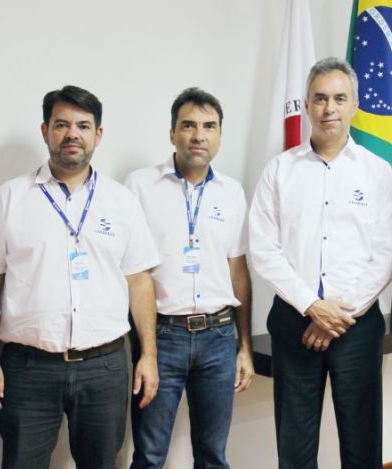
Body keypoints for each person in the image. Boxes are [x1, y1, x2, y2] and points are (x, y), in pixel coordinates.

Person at [0, 85, 160, 469]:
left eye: (83, 125)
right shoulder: (8, 199)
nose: (72, 134)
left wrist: (149, 355)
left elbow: (140, 281)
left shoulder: (122, 202)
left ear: (98, 134)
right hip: (28, 368)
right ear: (45, 131)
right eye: (61, 125)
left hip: (105, 366)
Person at [248, 57, 392, 469]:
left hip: (357, 325)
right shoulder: (280, 170)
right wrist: (312, 306)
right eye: (319, 98)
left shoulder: (379, 172)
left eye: (339, 98)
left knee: (362, 443)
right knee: (294, 445)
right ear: (306, 105)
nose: (329, 108)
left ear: (354, 105)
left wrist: (338, 314)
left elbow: (387, 253)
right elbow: (263, 248)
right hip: (294, 322)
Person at [125, 87, 254, 468]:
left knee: (213, 455)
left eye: (209, 126)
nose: (199, 135)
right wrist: (146, 350)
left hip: (219, 338)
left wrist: (244, 347)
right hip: (162, 336)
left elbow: (238, 271)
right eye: (189, 125)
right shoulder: (139, 186)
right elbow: (132, 271)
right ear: (172, 133)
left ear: (220, 135)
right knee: (149, 455)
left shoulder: (232, 192)